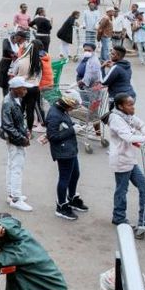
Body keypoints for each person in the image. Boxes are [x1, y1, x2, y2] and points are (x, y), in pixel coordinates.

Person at [105, 93, 145, 238]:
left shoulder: (127, 116)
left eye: (132, 104)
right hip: (121, 160)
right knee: (122, 189)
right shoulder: (116, 119)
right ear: (121, 106)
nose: (133, 107)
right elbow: (128, 137)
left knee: (144, 187)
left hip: (130, 159)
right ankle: (119, 217)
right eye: (130, 105)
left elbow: (141, 124)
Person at [44, 93, 90, 221]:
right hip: (63, 152)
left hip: (70, 149)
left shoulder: (61, 109)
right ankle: (61, 206)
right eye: (72, 107)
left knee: (75, 174)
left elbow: (63, 126)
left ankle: (72, 198)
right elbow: (53, 137)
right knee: (65, 178)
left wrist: (73, 126)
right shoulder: (54, 115)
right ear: (66, 104)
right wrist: (72, 130)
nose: (72, 109)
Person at [1, 76, 34, 212]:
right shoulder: (9, 102)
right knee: (16, 169)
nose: (26, 90)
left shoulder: (15, 99)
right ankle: (16, 199)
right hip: (15, 140)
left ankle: (11, 194)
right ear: (15, 89)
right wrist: (22, 139)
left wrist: (26, 131)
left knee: (12, 166)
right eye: (23, 88)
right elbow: (8, 126)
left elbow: (19, 121)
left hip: (16, 138)